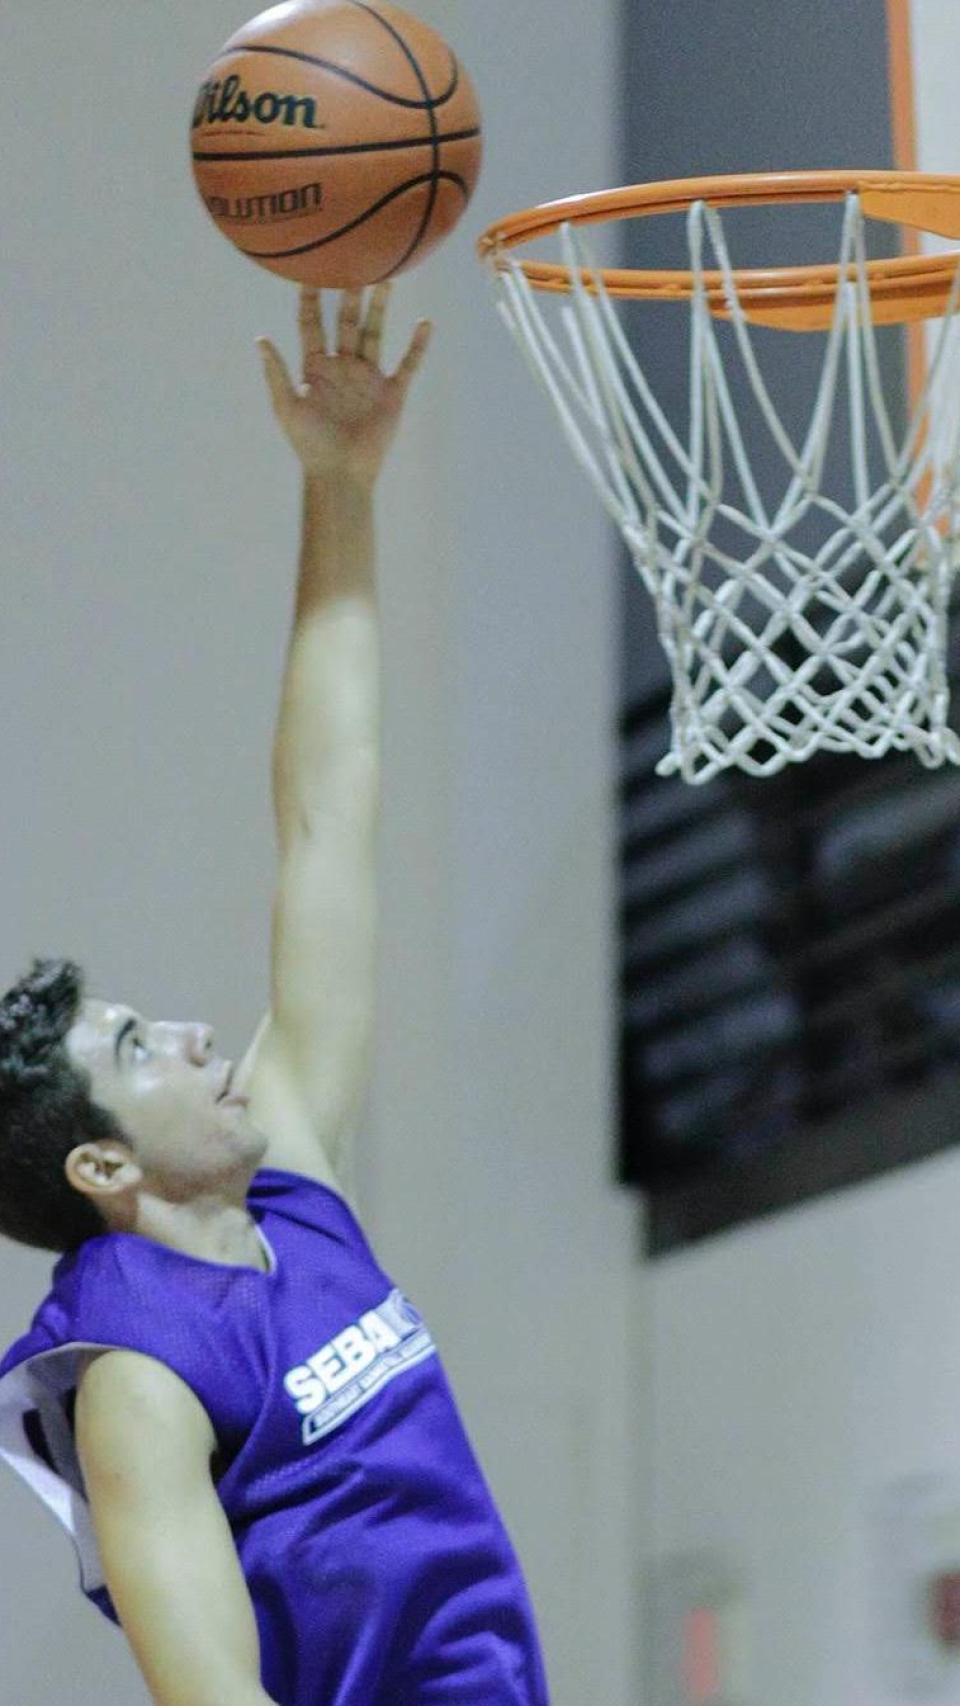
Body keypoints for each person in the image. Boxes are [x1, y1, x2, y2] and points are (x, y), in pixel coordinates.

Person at [0, 285, 551, 1706]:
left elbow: (325, 814)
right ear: (101, 1163)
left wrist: (341, 488)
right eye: (139, 1045)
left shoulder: (290, 1180)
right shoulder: (134, 1374)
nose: (194, 1032)